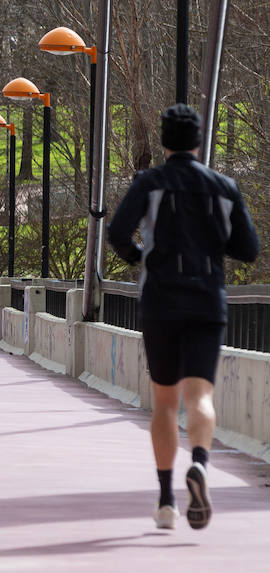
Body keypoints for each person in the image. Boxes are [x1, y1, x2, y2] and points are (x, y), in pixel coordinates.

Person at [108, 104, 259, 531]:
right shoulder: (224, 188)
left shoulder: (150, 183)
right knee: (200, 397)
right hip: (208, 299)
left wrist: (142, 259)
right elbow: (248, 249)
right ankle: (201, 464)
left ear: (164, 140)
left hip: (160, 301)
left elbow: (118, 231)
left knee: (165, 402)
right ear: (197, 140)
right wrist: (210, 243)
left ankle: (164, 501)